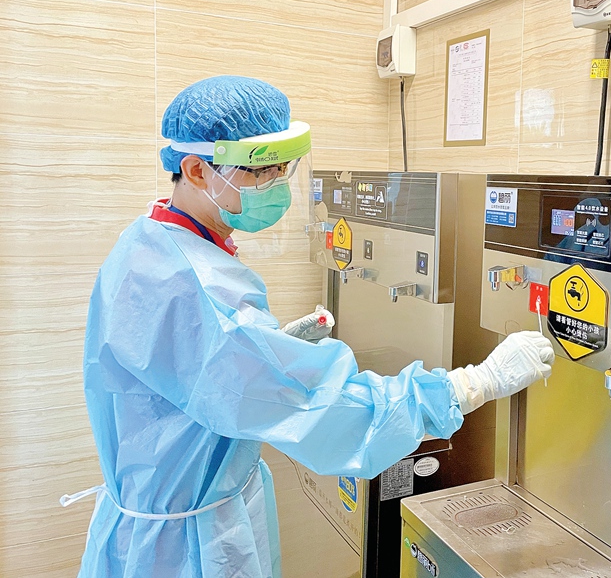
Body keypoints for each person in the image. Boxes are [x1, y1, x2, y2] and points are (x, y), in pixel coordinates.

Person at [63, 76, 554, 578]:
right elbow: (323, 410)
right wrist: (471, 385)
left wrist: (268, 350)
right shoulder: (196, 285)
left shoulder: (151, 241)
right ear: (196, 169)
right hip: (184, 551)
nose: (277, 184)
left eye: (284, 168)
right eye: (261, 170)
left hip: (158, 522)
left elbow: (194, 371)